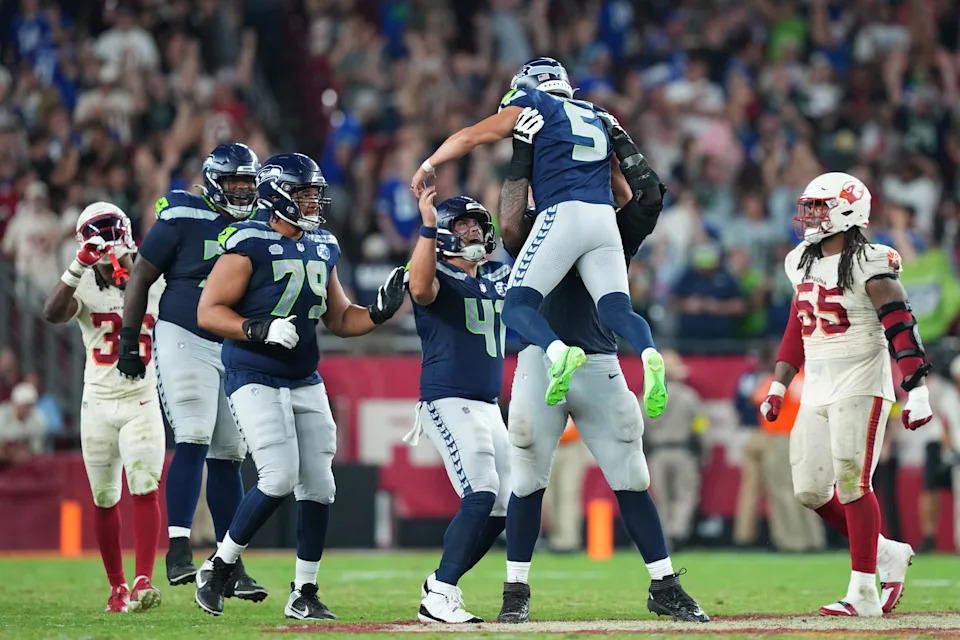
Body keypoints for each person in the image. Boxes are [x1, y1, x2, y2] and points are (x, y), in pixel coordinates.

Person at [495, 108, 707, 623]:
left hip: (567, 360)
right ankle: (518, 591)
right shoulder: (595, 228)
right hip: (585, 360)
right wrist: (616, 150)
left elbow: (645, 197)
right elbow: (645, 196)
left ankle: (658, 583)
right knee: (532, 478)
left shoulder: (585, 225)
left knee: (623, 477)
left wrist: (530, 153)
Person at [193, 153, 405, 619]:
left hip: (304, 375)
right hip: (254, 372)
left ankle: (303, 593)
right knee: (278, 475)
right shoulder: (247, 241)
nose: (313, 201)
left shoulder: (322, 244)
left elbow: (340, 318)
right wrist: (258, 329)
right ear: (276, 194)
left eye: (314, 193)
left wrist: (378, 313)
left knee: (321, 485)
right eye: (304, 192)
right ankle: (219, 566)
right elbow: (208, 311)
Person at [409, 57, 668, 416]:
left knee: (516, 306)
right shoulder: (596, 113)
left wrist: (427, 165)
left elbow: (471, 136)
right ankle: (650, 354)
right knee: (616, 309)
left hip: (562, 214)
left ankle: (559, 353)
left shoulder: (534, 105)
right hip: (604, 220)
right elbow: (625, 192)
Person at [759, 172, 926, 616]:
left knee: (853, 482)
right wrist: (780, 383)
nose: (810, 215)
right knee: (811, 491)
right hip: (817, 386)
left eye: (819, 206)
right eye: (808, 206)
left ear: (848, 211)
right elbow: (799, 323)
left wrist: (917, 389)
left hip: (861, 382)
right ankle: (887, 553)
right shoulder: (800, 260)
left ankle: (864, 593)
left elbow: (901, 326)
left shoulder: (873, 260)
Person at [117, 143, 267, 597]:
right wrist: (129, 339)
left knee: (229, 453)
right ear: (214, 181)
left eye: (247, 183)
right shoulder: (183, 212)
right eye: (234, 183)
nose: (241, 192)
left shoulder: (262, 223)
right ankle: (179, 547)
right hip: (185, 334)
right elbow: (142, 274)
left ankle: (229, 563)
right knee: (194, 435)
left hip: (233, 344)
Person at [40, 202, 164, 613]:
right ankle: (117, 587)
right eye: (104, 259)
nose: (112, 268)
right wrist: (79, 265)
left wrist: (130, 267)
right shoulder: (84, 283)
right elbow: (52, 313)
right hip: (97, 401)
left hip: (141, 398)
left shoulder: (152, 277)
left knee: (144, 485)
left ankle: (144, 579)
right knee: (105, 496)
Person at [403, 188, 511, 623]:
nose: (473, 231)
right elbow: (420, 286)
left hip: (487, 403)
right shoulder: (437, 272)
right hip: (447, 398)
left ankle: (440, 583)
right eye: (462, 225)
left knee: (505, 504)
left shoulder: (499, 273)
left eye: (477, 224)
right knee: (481, 490)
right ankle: (441, 595)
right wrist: (428, 226)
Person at [0, 381, 47, 468]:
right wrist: (10, 455)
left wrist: (25, 453)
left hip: (26, 465)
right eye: (26, 405)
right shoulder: (2, 415)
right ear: (17, 404)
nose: (29, 409)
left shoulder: (38, 419)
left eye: (32, 405)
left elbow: (36, 450)